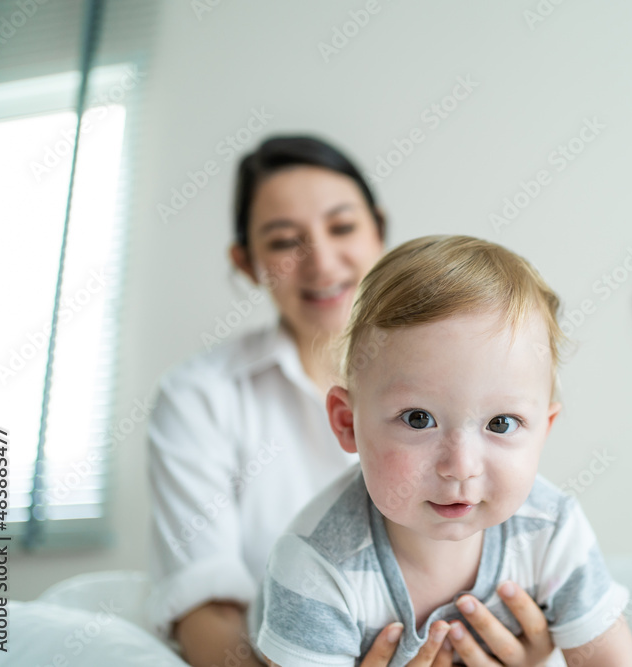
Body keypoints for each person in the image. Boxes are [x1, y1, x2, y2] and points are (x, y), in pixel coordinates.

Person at [147, 137, 558, 667]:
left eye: (342, 228)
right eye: (282, 242)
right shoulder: (199, 397)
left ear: (378, 231)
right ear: (245, 262)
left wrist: (533, 653)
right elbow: (205, 606)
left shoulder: (480, 371)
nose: (321, 260)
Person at [249, 235, 632, 667]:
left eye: (501, 424)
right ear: (347, 422)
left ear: (543, 432)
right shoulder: (317, 565)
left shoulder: (552, 531)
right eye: (418, 419)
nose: (460, 467)